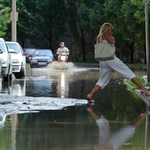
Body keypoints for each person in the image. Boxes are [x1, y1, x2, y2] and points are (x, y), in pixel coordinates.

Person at [87, 22, 150, 103]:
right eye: (111, 30)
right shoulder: (105, 34)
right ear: (108, 29)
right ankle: (143, 88)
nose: (112, 32)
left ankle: (91, 94)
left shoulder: (99, 37)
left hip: (103, 61)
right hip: (110, 59)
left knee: (103, 80)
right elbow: (113, 41)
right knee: (128, 72)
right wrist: (110, 35)